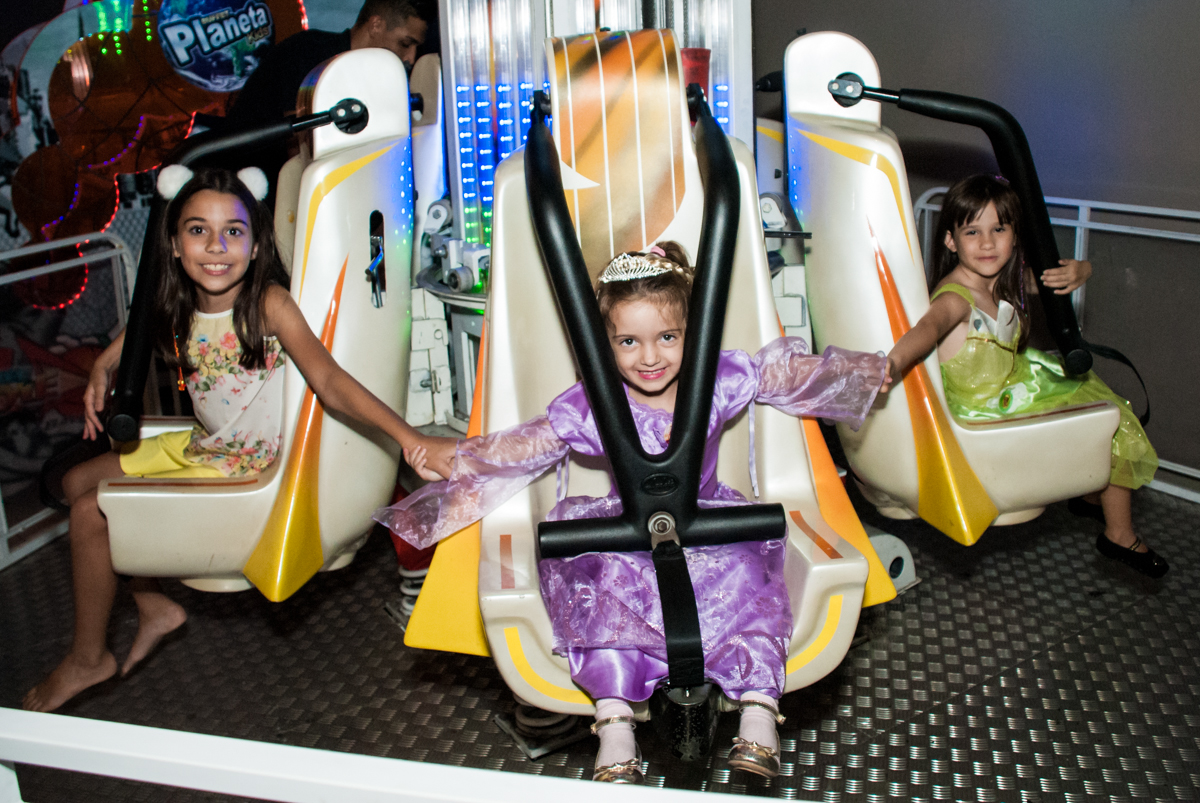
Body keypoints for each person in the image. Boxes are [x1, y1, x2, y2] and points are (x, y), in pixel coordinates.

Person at [377, 243, 891, 782]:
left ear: (692, 332)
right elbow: (529, 444)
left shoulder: (716, 381)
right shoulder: (595, 403)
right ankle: (615, 719)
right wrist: (457, 456)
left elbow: (784, 376)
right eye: (629, 342)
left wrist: (860, 372)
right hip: (628, 532)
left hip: (706, 524)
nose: (650, 357)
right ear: (606, 345)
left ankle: (759, 709)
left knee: (748, 579)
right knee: (597, 581)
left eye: (667, 337)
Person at [22, 165, 454, 714]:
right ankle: (154, 605)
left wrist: (412, 440)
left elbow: (331, 381)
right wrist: (103, 365)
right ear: (175, 245)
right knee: (77, 480)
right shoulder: (179, 300)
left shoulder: (266, 303)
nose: (216, 246)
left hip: (248, 466)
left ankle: (89, 658)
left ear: (254, 247)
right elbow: (141, 324)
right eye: (198, 230)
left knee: (92, 514)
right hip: (209, 445)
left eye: (234, 231)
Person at [886, 174, 1165, 577]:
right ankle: (1118, 532)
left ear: (1015, 235)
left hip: (1016, 384)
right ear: (951, 240)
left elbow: (1055, 279)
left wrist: (1081, 270)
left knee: (1101, 400)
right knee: (1113, 418)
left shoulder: (1004, 282)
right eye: (972, 231)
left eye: (999, 229)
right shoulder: (955, 297)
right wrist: (891, 365)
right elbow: (927, 329)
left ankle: (1095, 494)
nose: (987, 243)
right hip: (986, 409)